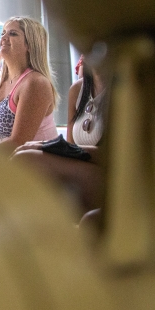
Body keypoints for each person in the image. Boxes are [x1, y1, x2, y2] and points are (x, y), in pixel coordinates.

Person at [12, 57, 107, 213]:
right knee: (23, 157)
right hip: (84, 167)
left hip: (112, 174)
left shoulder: (126, 92)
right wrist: (56, 148)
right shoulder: (77, 90)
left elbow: (119, 157)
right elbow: (72, 147)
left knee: (27, 158)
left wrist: (50, 146)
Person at [0, 16, 58, 154]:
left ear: (30, 44)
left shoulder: (35, 83)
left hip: (39, 163)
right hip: (7, 162)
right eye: (3, 33)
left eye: (13, 33)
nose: (4, 38)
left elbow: (18, 142)